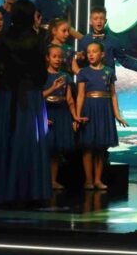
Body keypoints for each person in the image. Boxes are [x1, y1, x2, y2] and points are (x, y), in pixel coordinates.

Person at [0, 0, 50, 203]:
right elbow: (42, 72)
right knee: (30, 141)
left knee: (6, 140)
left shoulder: (3, 37)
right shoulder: (37, 38)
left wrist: (4, 84)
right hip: (30, 96)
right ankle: (30, 190)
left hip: (7, 95)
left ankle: (4, 189)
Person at [76, 42, 127, 189]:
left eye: (94, 51)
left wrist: (117, 114)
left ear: (102, 54)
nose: (91, 54)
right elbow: (80, 95)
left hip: (104, 110)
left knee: (101, 147)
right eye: (89, 52)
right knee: (88, 147)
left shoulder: (109, 71)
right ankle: (88, 180)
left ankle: (98, 180)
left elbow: (113, 95)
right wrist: (77, 116)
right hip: (89, 109)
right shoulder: (83, 72)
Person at [43, 45, 77, 190]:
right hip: (47, 113)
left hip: (61, 114)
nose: (57, 59)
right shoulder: (42, 76)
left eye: (60, 57)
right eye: (54, 56)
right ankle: (42, 181)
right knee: (46, 149)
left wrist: (74, 116)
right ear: (48, 58)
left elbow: (69, 99)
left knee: (56, 151)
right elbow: (37, 98)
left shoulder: (66, 76)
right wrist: (53, 88)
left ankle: (53, 180)